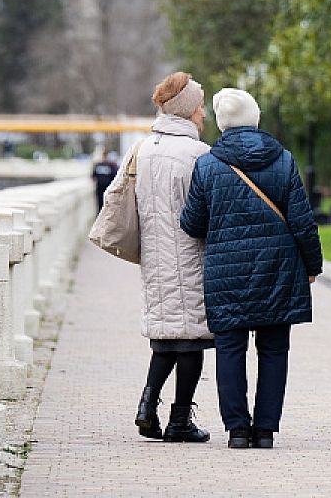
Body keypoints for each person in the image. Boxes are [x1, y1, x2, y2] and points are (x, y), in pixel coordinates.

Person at [180, 88, 323, 450]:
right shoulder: (284, 161)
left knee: (230, 349)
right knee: (274, 350)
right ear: (255, 118)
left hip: (226, 274)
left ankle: (237, 430)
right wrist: (312, 265)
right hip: (278, 271)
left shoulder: (208, 165)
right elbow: (302, 221)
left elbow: (192, 223)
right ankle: (265, 430)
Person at [132, 71, 213, 443]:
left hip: (154, 254)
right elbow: (205, 211)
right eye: (199, 106)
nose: (204, 114)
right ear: (186, 111)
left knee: (166, 336)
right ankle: (180, 421)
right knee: (191, 339)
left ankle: (147, 405)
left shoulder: (144, 149)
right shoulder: (198, 154)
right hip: (190, 254)